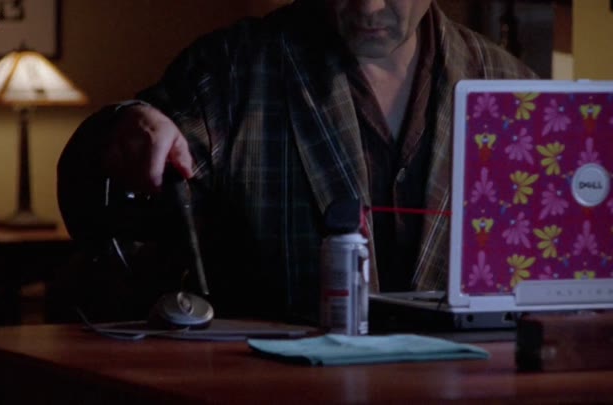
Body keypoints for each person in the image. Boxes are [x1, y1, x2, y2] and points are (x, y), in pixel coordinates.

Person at [57, 0, 536, 324]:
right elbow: (99, 209)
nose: (369, 7)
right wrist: (120, 132)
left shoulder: (508, 84)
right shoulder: (233, 70)